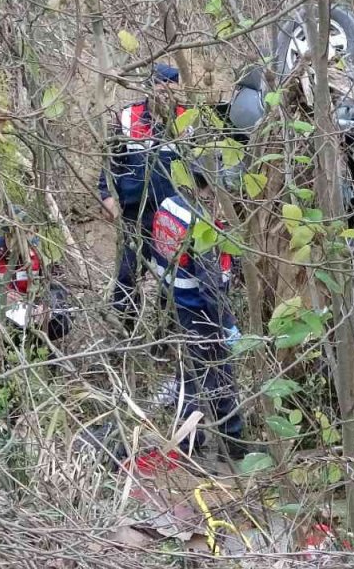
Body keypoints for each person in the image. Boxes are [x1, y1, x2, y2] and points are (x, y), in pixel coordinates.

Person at [148, 155, 246, 459]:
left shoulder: (169, 206)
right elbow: (212, 287)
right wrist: (226, 324)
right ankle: (231, 445)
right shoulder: (201, 224)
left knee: (188, 376)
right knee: (219, 379)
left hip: (177, 305)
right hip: (203, 312)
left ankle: (189, 446)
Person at [98, 63, 189, 326]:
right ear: (148, 89)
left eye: (171, 90)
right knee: (127, 275)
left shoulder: (188, 120)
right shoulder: (128, 118)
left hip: (175, 217)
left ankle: (166, 332)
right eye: (159, 89)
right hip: (134, 214)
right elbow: (110, 164)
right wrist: (107, 197)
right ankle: (126, 331)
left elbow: (203, 168)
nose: (165, 96)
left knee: (172, 277)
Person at [0, 206, 71, 352]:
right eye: (20, 234)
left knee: (62, 320)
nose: (27, 239)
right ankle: (5, 353)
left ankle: (35, 348)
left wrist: (46, 305)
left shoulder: (41, 253)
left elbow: (57, 286)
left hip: (29, 309)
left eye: (31, 232)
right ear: (7, 235)